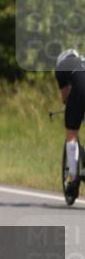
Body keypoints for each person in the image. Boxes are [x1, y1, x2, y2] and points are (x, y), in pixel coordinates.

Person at [56, 48, 85, 185]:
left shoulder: (61, 67)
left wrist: (72, 108)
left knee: (72, 133)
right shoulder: (82, 61)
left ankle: (73, 179)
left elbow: (65, 98)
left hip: (80, 90)